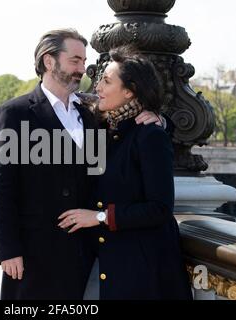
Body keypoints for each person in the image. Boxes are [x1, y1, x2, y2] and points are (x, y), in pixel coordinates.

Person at [0, 29, 162, 300]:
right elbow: (2, 187)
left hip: (84, 252)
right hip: (35, 253)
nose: (83, 68)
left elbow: (134, 127)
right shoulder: (17, 112)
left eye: (84, 61)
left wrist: (160, 119)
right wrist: (8, 250)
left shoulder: (91, 112)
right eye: (75, 60)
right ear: (49, 61)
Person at [58, 47, 193, 300]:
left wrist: (99, 217)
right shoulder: (103, 129)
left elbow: (160, 209)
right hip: (106, 266)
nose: (98, 86)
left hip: (142, 274)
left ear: (129, 91)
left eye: (106, 81)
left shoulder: (149, 135)